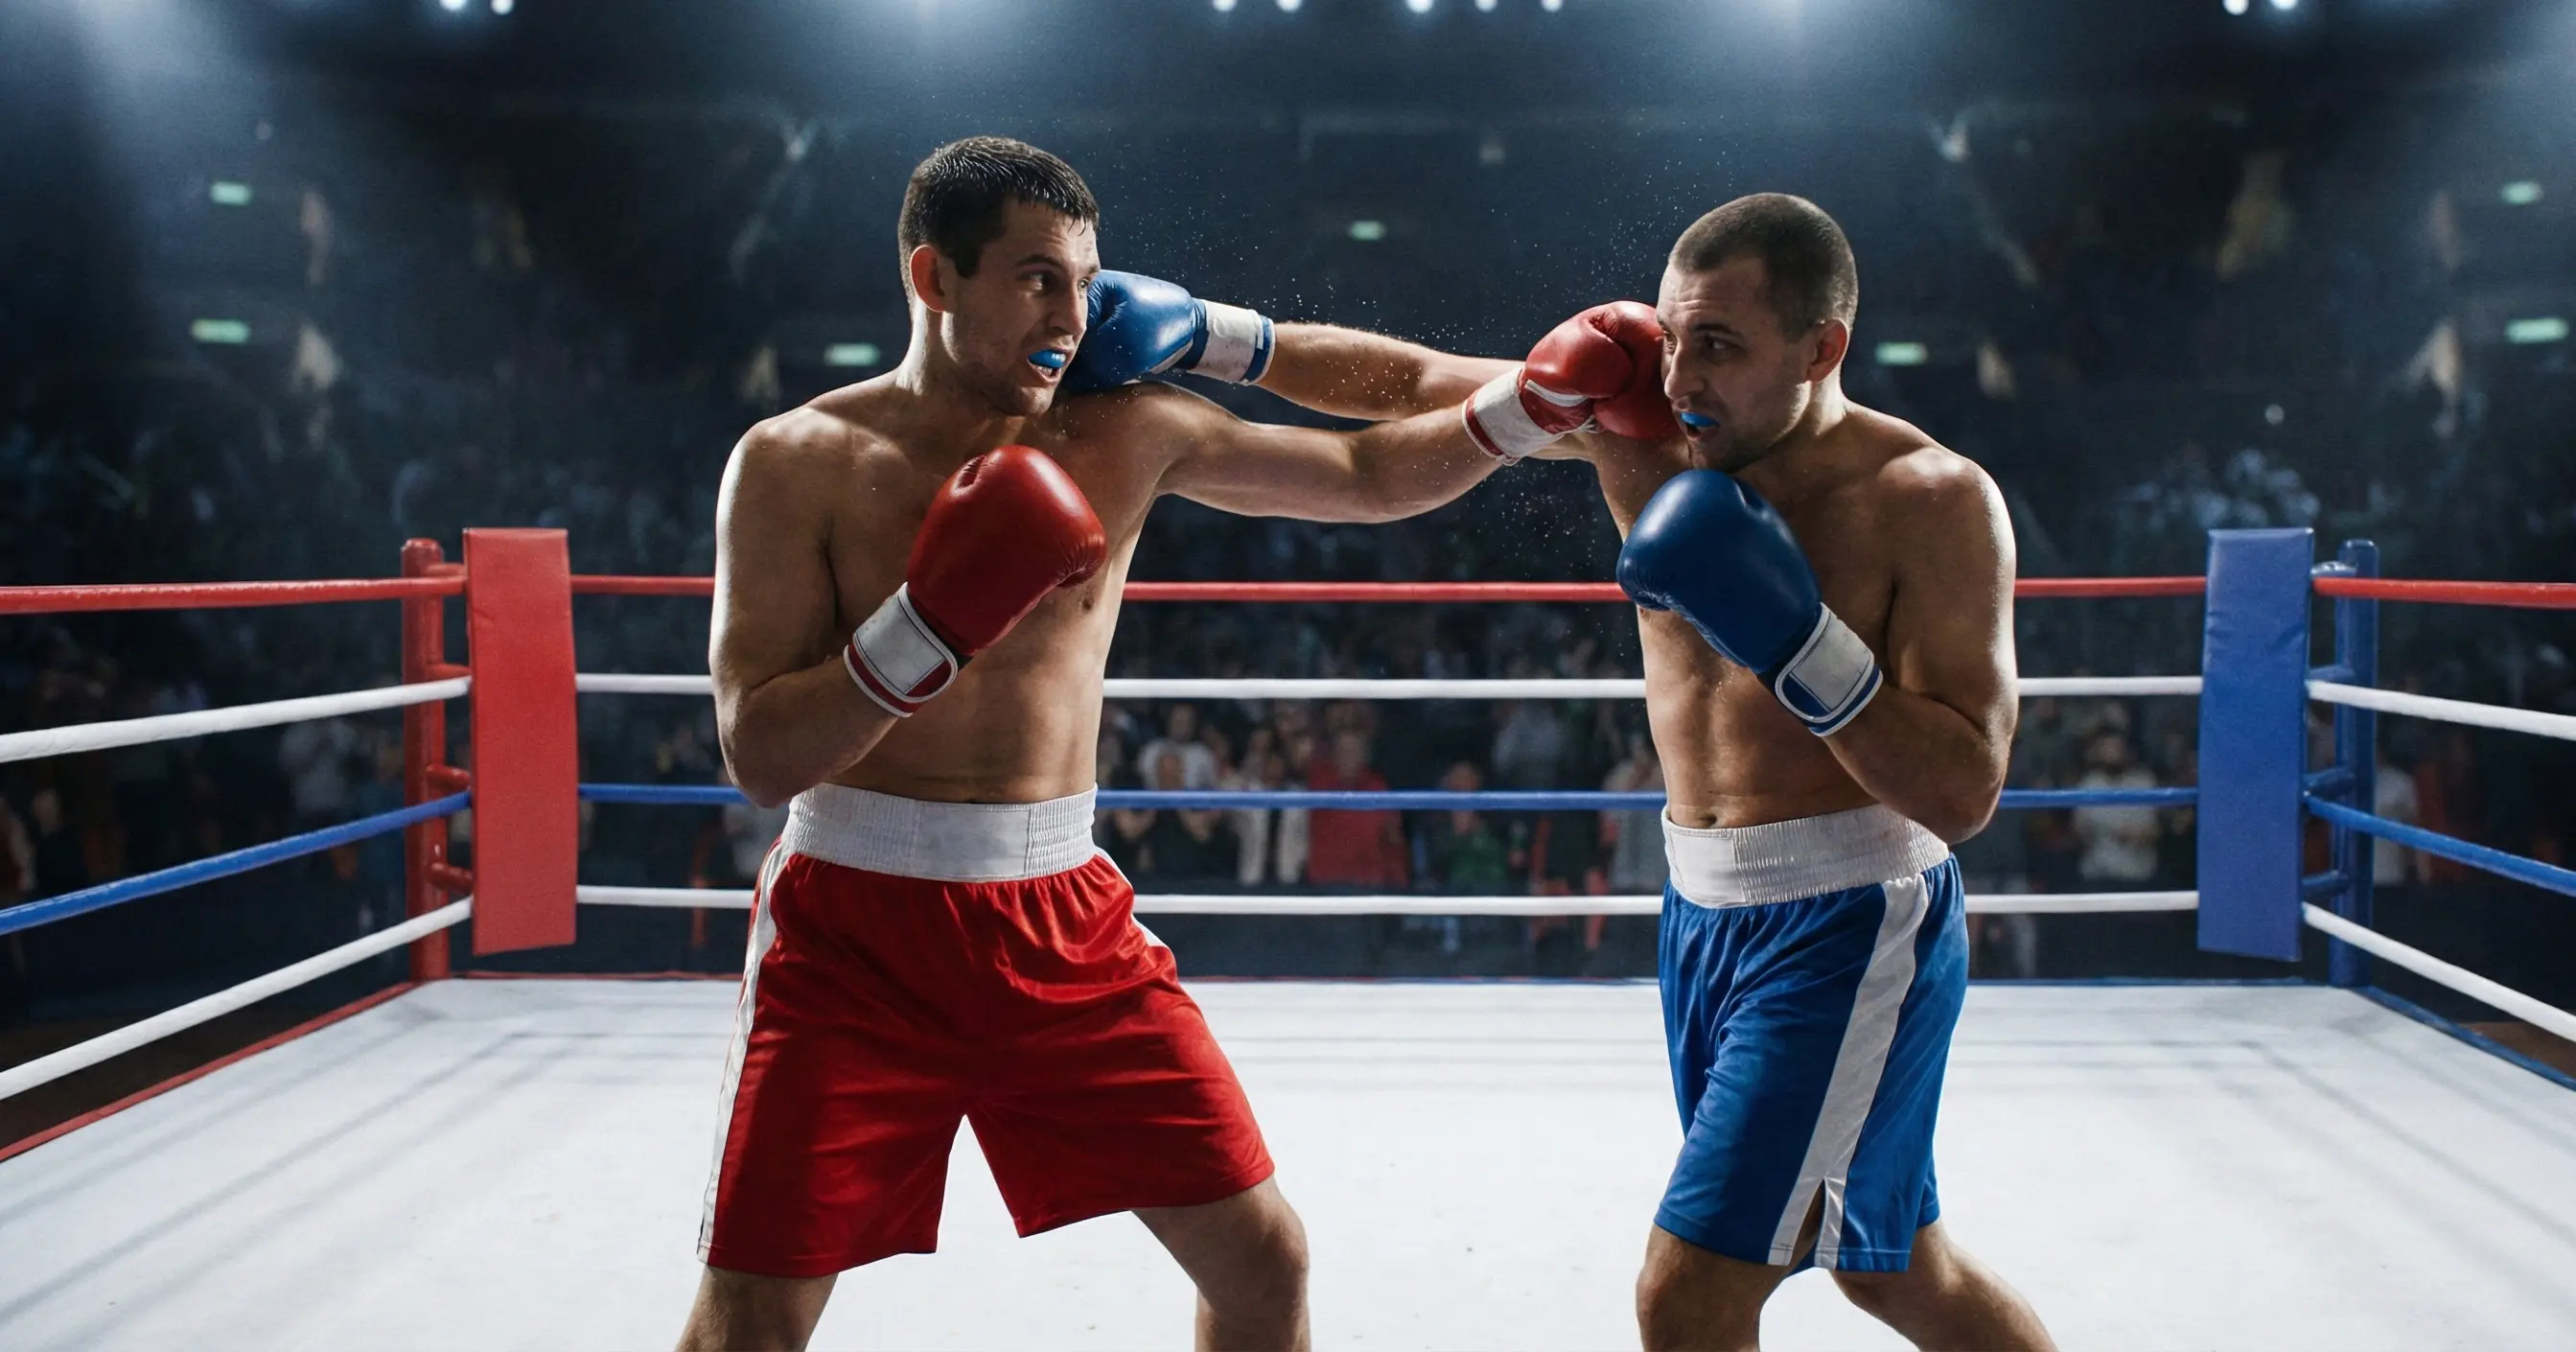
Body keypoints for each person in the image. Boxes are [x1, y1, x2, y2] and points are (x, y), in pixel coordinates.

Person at [685, 136, 1650, 1352]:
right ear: (933, 278)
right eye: (1036, 278)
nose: (1071, 314)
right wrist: (926, 627)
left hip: (1059, 915)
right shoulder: (795, 462)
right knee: (753, 1320)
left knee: (1261, 1262)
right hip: (852, 933)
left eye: (1085, 281)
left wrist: (1524, 409)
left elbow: (1361, 472)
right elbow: (759, 752)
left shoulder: (1122, 429)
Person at [1110, 193, 2052, 1350]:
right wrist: (1207, 334)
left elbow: (1963, 791)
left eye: (1720, 345)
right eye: (1672, 335)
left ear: (1822, 349)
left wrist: (1802, 644)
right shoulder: (1639, 417)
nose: (1684, 376)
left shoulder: (1929, 500)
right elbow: (1411, 388)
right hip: (1704, 911)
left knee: (1690, 1293)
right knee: (1896, 1268)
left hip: (1852, 922)